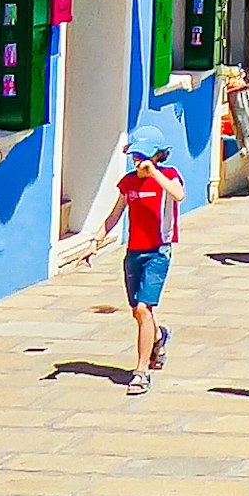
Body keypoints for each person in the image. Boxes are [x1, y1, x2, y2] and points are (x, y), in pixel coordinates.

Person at [72, 139, 184, 395]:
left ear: (156, 155)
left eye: (141, 155)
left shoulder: (168, 176)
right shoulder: (128, 183)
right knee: (137, 311)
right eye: (134, 156)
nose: (136, 160)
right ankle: (158, 338)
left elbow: (178, 195)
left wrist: (153, 172)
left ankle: (141, 372)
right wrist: (95, 242)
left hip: (158, 252)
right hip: (134, 253)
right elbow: (115, 215)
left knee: (144, 309)